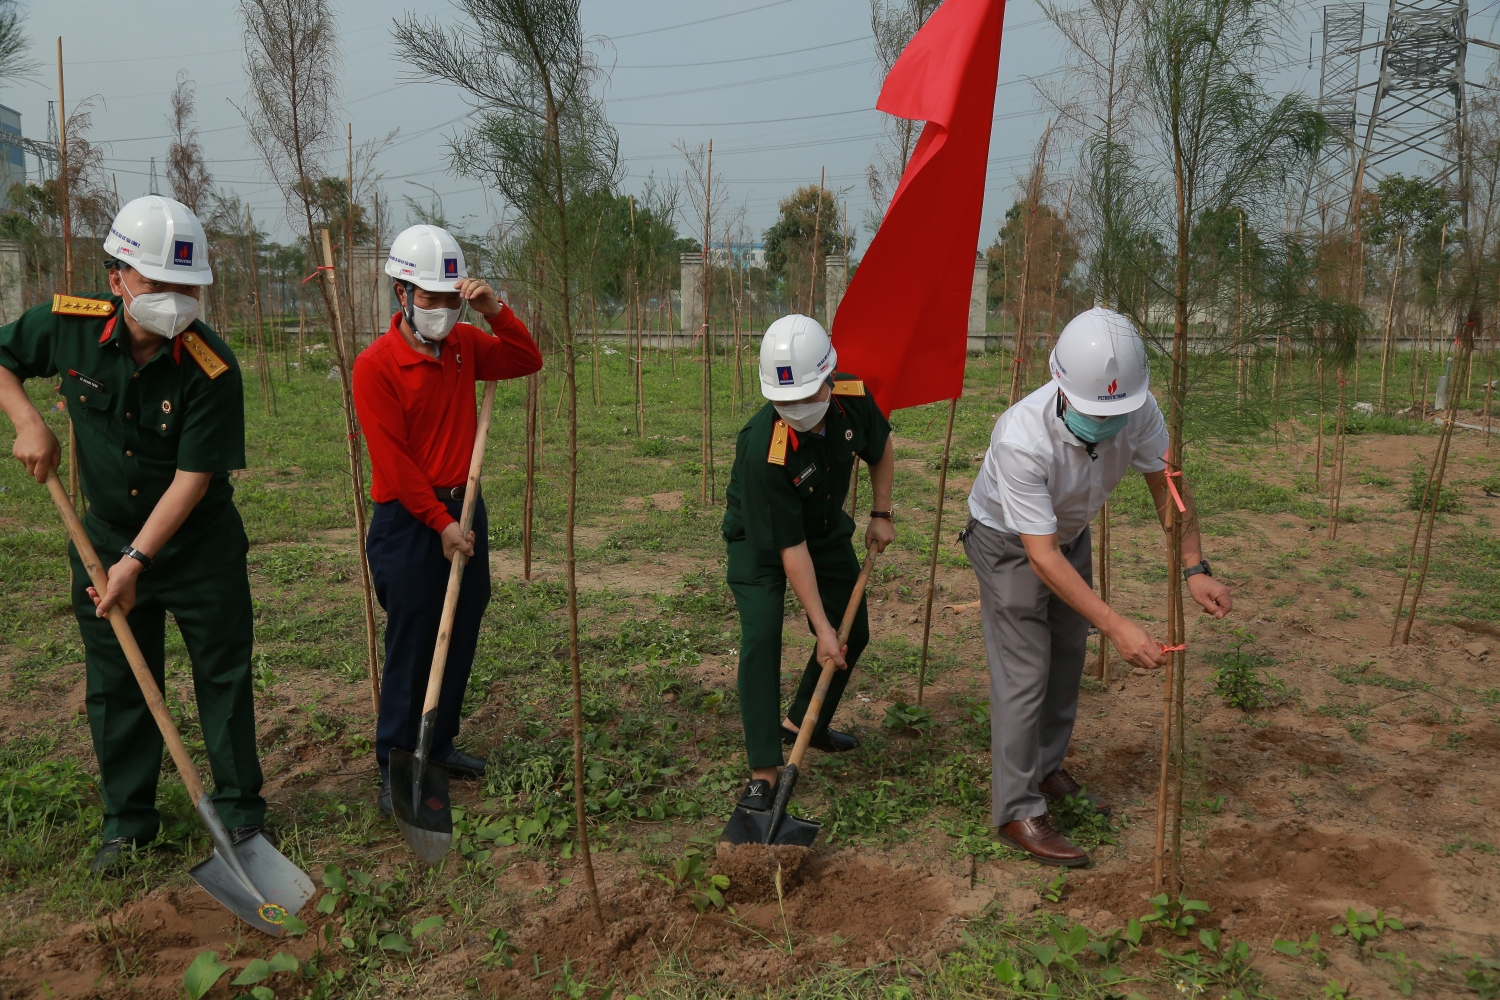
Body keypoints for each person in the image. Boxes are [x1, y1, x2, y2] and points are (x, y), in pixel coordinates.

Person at [0, 195, 266, 875]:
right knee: (118, 678)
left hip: (197, 546)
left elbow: (193, 478)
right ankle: (129, 823)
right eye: (157, 283)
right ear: (116, 278)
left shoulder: (211, 366)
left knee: (224, 675)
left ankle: (238, 815)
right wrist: (29, 420)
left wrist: (138, 560)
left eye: (187, 286)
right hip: (102, 539)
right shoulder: (66, 327)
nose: (174, 299)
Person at [963, 306, 1233, 867]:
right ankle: (1016, 807)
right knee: (1025, 669)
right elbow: (1038, 556)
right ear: (1060, 386)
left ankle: (1046, 768)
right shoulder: (1020, 437)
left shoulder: (1137, 408)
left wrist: (1194, 566)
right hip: (1010, 540)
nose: (1107, 423)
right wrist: (1114, 623)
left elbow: (1168, 483)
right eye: (1093, 412)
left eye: (1117, 413)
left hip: (1067, 533)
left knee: (1067, 655)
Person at [352, 224, 542, 817]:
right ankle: (394, 762)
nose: (441, 310)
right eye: (429, 298)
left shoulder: (465, 343)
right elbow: (396, 465)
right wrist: (440, 524)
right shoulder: (375, 365)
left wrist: (494, 310)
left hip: (464, 507)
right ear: (401, 293)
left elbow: (526, 358)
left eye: (450, 297)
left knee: (461, 623)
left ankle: (439, 743)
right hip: (410, 519)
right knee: (413, 638)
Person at [721, 314, 896, 812]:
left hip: (821, 529)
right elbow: (787, 548)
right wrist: (818, 627)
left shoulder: (853, 398)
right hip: (761, 541)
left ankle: (802, 723)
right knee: (762, 637)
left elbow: (881, 449)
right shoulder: (763, 448)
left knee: (852, 630)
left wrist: (881, 512)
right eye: (785, 401)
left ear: (828, 378)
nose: (795, 408)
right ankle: (763, 771)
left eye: (804, 396)